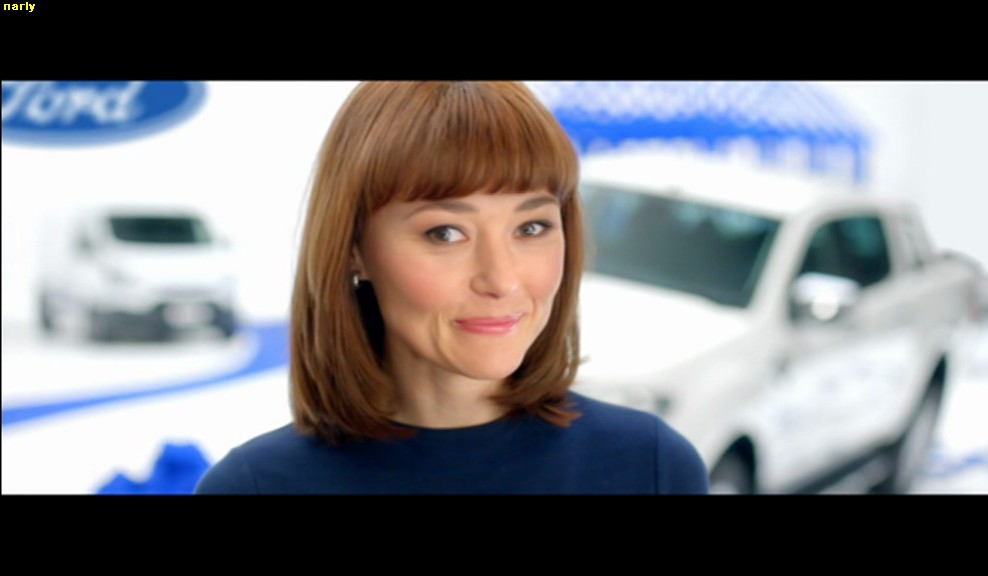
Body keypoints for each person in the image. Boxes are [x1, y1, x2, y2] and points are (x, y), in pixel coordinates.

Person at [194, 82, 708, 494]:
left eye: (531, 227)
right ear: (354, 249)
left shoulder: (652, 468)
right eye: (445, 233)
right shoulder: (254, 486)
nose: (501, 279)